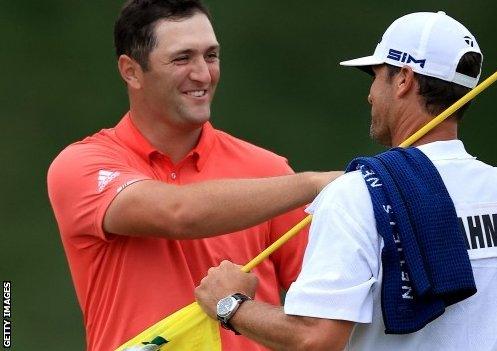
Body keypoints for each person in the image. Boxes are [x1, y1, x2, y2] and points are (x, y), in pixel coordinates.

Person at [195, 11, 497, 351]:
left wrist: (230, 304)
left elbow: (315, 338)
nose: (370, 94)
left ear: (403, 80)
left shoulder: (358, 193)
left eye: (376, 76)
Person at [46, 1, 340, 350]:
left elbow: (321, 324)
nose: (203, 74)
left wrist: (239, 310)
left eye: (211, 56)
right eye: (182, 58)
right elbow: (178, 213)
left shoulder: (269, 171)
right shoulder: (82, 165)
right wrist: (313, 184)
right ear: (131, 71)